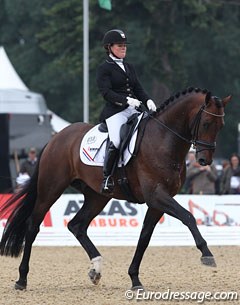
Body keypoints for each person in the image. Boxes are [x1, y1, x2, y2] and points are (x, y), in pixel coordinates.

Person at [96, 29, 156, 194]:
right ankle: (107, 177)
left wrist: (148, 100)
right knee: (116, 140)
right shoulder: (104, 68)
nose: (124, 48)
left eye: (125, 45)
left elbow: (137, 88)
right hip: (115, 112)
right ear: (109, 47)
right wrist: (126, 100)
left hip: (133, 110)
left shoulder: (129, 66)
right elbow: (106, 93)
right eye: (120, 45)